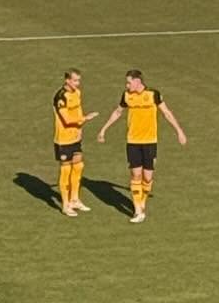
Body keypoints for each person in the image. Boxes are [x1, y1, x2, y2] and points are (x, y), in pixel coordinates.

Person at [96, 69, 186, 222]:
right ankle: (138, 210)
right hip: (133, 142)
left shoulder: (153, 94)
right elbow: (117, 112)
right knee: (135, 175)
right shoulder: (127, 96)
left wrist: (179, 131)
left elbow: (166, 113)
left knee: (147, 177)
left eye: (129, 82)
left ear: (138, 81)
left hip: (150, 141)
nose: (127, 85)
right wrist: (103, 129)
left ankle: (142, 203)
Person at [52, 67, 97, 217]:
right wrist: (85, 119)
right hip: (63, 139)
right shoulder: (61, 97)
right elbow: (66, 119)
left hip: (75, 138)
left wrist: (80, 128)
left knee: (78, 166)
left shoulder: (77, 93)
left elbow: (78, 111)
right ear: (67, 80)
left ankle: (74, 199)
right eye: (75, 80)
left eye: (79, 80)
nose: (78, 83)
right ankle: (65, 205)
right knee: (66, 170)